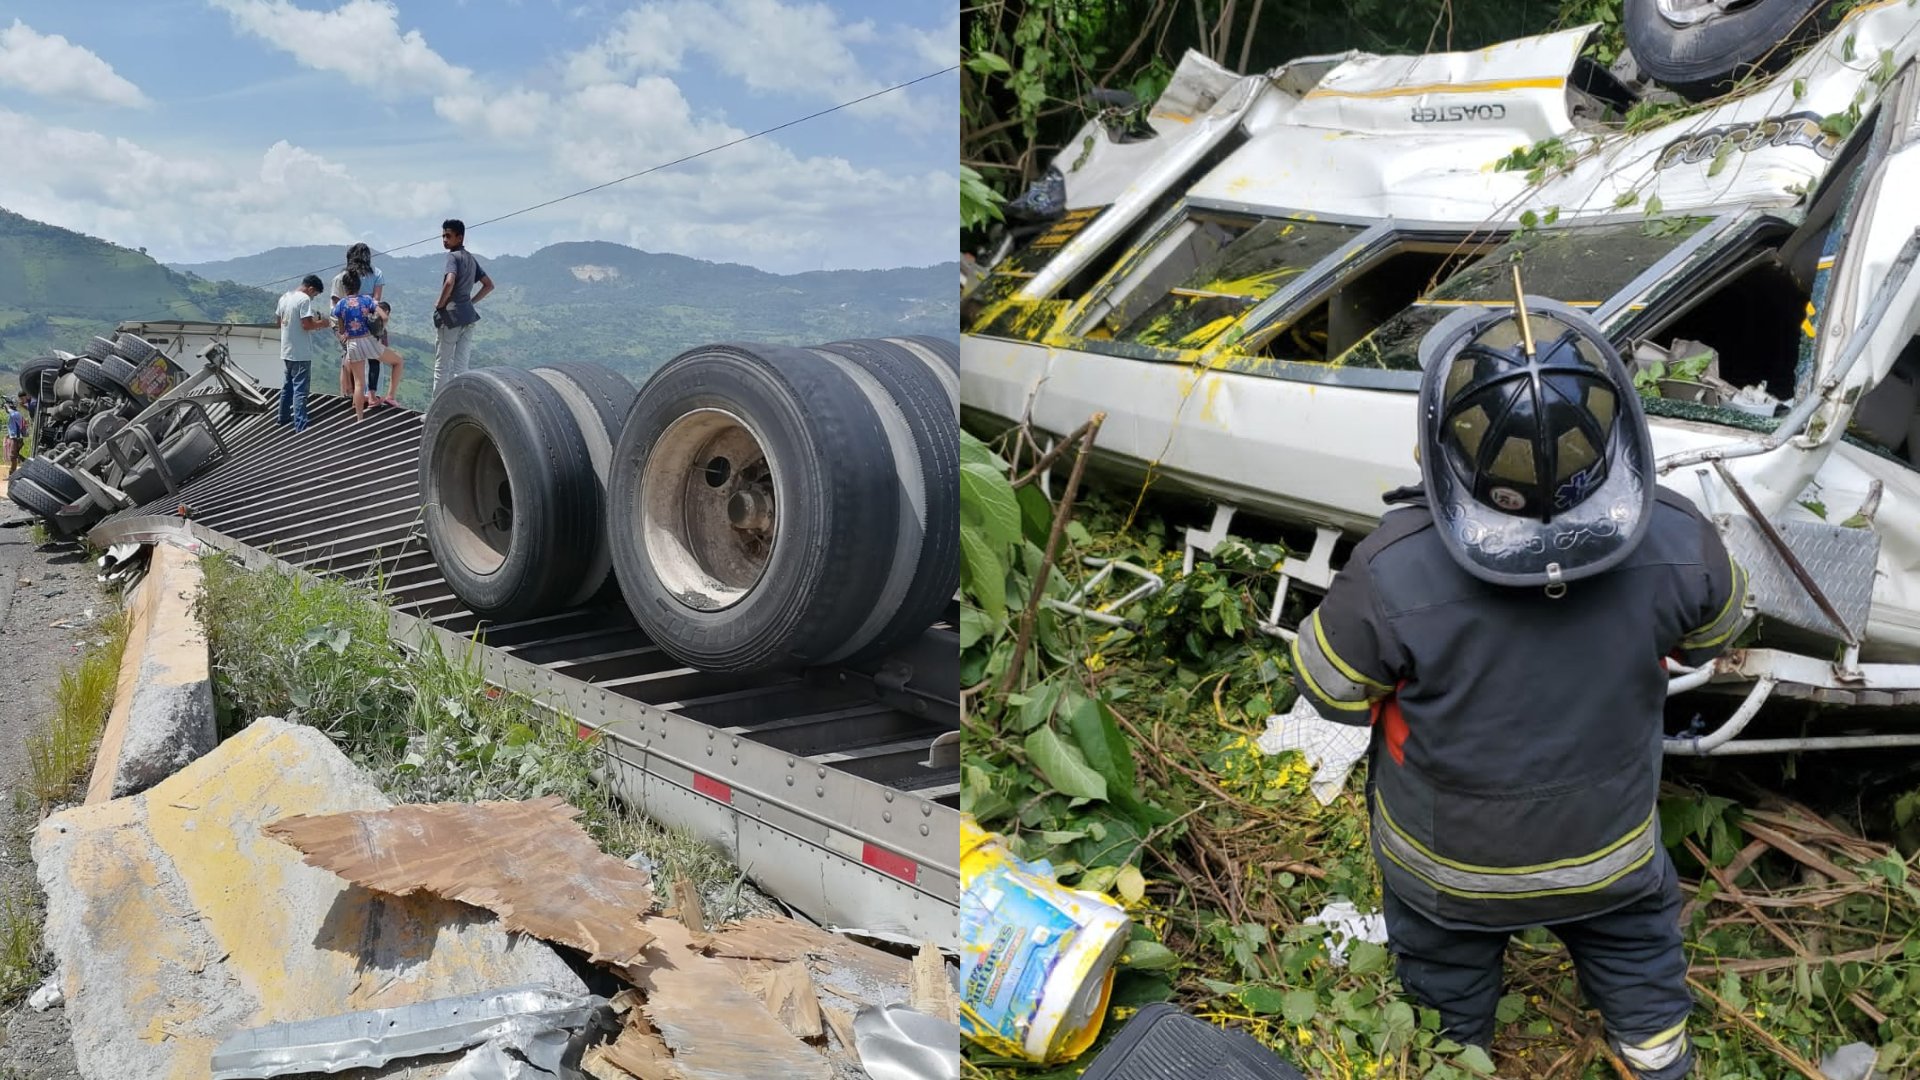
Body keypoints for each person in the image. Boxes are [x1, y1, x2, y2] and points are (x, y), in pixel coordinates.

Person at [1271, 297, 1750, 1079]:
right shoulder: (1680, 536)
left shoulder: (1394, 566)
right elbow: (1715, 634)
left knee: (1444, 990)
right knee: (1639, 960)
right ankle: (1654, 1054)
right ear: (1616, 429)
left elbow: (1329, 686)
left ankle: (1461, 1054)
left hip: (1446, 871)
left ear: (1442, 447)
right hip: (1610, 854)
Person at [430, 218, 492, 396]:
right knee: (461, 368)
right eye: (443, 236)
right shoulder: (471, 259)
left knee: (441, 367)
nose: (444, 240)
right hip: (468, 317)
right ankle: (460, 407)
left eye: (448, 236)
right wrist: (471, 302)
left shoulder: (452, 257)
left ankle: (436, 411)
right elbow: (488, 285)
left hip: (451, 318)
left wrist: (439, 304)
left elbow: (449, 281)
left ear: (460, 237)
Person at [275, 274, 332, 432]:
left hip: (286, 350)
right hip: (300, 352)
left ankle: (283, 417)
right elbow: (306, 325)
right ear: (311, 289)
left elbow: (278, 322)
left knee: (288, 386)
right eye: (315, 295)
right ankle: (301, 426)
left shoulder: (284, 297)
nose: (313, 298)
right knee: (300, 390)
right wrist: (323, 323)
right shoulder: (304, 299)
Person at [331, 243, 386, 397]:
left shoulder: (342, 277)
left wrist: (341, 329)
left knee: (348, 356)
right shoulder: (377, 273)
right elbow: (376, 300)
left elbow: (336, 304)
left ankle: (348, 393)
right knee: (372, 358)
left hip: (346, 323)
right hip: (369, 323)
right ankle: (371, 394)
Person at [332, 268, 381, 420]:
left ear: (344, 288)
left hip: (353, 343)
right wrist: (378, 326)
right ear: (359, 286)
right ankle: (377, 396)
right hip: (368, 340)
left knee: (359, 383)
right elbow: (382, 315)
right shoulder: (367, 300)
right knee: (395, 362)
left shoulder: (340, 304)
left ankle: (359, 417)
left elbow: (342, 329)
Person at [369, 300, 405, 406]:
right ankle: (390, 396)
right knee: (399, 361)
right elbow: (383, 347)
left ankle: (369, 396)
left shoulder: (366, 320)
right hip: (374, 350)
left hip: (360, 349)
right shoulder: (381, 323)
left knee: (374, 363)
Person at [5, 398, 24, 473]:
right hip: (16, 438)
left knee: (13, 457)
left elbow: (9, 410)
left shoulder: (15, 414)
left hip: (16, 439)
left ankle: (12, 474)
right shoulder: (15, 414)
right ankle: (13, 472)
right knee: (15, 456)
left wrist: (6, 405)